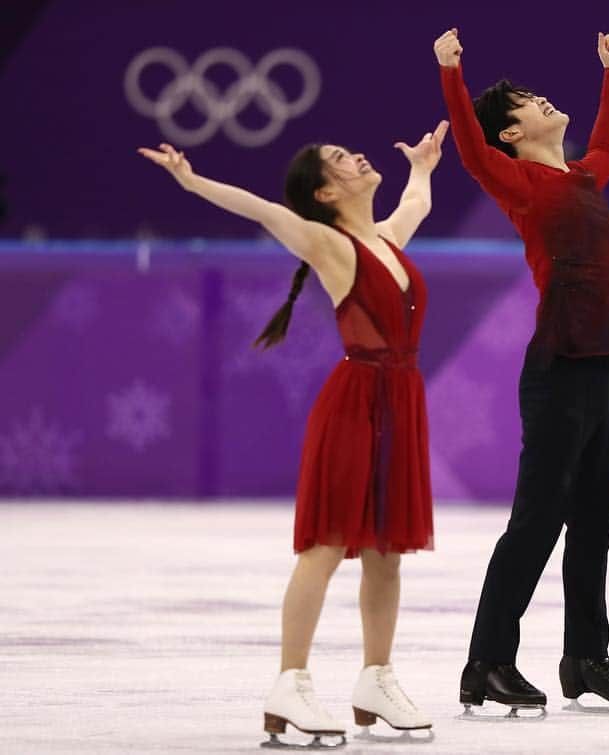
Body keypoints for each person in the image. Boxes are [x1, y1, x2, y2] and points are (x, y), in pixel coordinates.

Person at [138, 120, 448, 746]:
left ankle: (375, 677)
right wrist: (192, 181)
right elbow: (262, 209)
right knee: (326, 547)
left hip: (401, 405)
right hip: (355, 403)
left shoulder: (387, 238)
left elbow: (417, 202)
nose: (358, 154)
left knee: (387, 552)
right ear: (327, 194)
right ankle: (290, 681)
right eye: (341, 158)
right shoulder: (329, 245)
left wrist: (423, 166)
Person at [433, 28, 609, 716]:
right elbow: (469, 150)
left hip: (603, 373)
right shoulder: (519, 181)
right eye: (525, 101)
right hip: (558, 372)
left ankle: (584, 656)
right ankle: (487, 661)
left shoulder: (583, 174)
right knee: (538, 521)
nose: (541, 99)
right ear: (510, 132)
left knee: (594, 522)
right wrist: (452, 72)